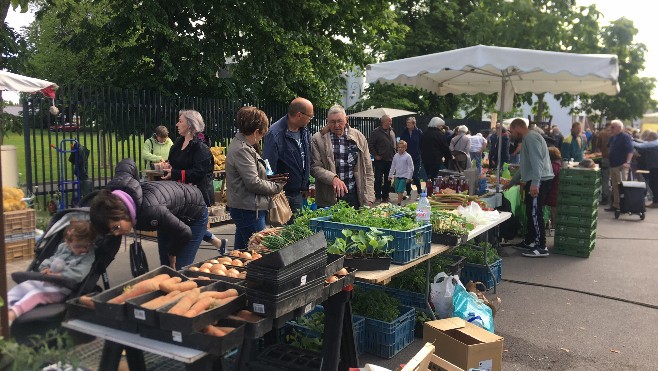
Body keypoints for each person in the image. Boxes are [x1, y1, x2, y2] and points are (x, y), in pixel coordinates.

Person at [89, 159, 208, 270]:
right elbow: (127, 163)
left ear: (123, 212)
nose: (115, 233)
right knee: (166, 267)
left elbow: (184, 232)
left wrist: (173, 253)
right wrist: (137, 186)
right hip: (169, 211)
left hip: (194, 212)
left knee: (179, 268)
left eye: (116, 227)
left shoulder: (151, 212)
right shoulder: (118, 192)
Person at [7, 220, 96, 325]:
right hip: (46, 281)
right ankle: (5, 306)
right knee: (24, 286)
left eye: (87, 245)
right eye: (78, 246)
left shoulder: (88, 256)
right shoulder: (63, 247)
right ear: (68, 242)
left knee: (36, 294)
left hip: (62, 288)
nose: (84, 249)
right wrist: (45, 268)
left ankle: (12, 314)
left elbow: (79, 274)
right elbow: (52, 259)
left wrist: (59, 275)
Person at [161, 110, 226, 252]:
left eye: (181, 121)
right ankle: (219, 243)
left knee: (189, 225)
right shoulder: (178, 143)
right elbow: (175, 161)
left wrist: (175, 173)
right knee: (186, 224)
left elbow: (198, 173)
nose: (177, 124)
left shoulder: (201, 147)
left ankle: (180, 259)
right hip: (179, 193)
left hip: (196, 196)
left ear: (190, 125)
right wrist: (169, 166)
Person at [226, 107, 286, 249]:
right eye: (262, 134)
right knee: (258, 251)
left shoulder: (243, 145)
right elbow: (253, 183)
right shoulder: (242, 149)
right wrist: (277, 186)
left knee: (242, 251)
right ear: (256, 131)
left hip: (247, 207)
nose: (262, 137)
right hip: (249, 210)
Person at [503, 118, 554, 258]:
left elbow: (537, 163)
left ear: (518, 128)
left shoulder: (531, 138)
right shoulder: (528, 138)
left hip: (539, 180)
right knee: (531, 211)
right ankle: (531, 241)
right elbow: (526, 166)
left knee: (535, 212)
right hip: (536, 179)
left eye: (511, 131)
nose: (510, 134)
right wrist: (512, 182)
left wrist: (535, 183)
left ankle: (541, 246)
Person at [310, 105, 374, 208]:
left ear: (346, 119)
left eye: (340, 121)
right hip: (329, 196)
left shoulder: (359, 137)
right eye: (332, 122)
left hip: (354, 194)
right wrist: (333, 178)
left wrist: (370, 196)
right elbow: (314, 167)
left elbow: (368, 168)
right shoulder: (318, 138)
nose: (336, 125)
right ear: (327, 121)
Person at [263, 98, 312, 217]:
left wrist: (305, 185)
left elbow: (306, 158)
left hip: (298, 193)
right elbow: (268, 164)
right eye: (310, 116)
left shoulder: (304, 131)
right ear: (299, 115)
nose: (310, 120)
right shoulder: (275, 133)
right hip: (282, 193)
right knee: (281, 231)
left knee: (297, 231)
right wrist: (274, 191)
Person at [606, 120, 635, 212]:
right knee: (614, 186)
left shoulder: (625, 137)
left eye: (613, 127)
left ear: (619, 128)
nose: (611, 129)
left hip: (620, 166)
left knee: (621, 186)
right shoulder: (613, 137)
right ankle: (616, 205)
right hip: (613, 165)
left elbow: (630, 150)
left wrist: (627, 162)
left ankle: (623, 205)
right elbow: (609, 147)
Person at [368, 115, 397, 203]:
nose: (391, 123)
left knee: (388, 179)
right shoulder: (376, 132)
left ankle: (386, 196)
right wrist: (375, 155)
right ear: (384, 122)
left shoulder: (391, 131)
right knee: (378, 178)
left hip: (390, 159)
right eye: (389, 121)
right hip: (380, 159)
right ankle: (378, 196)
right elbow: (370, 145)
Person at [633, 130, 658, 208]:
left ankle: (656, 202)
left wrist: (629, 141)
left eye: (648, 137)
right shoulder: (655, 143)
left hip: (654, 167)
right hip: (654, 166)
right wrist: (634, 139)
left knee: (654, 185)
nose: (647, 138)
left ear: (652, 137)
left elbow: (642, 146)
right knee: (654, 184)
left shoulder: (654, 143)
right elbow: (644, 143)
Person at [399, 117, 423, 200]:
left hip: (416, 157)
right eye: (407, 122)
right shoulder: (404, 132)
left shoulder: (418, 132)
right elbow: (401, 142)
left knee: (415, 175)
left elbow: (422, 143)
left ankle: (420, 192)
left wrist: (419, 152)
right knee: (407, 175)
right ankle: (408, 192)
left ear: (413, 124)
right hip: (406, 157)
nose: (408, 124)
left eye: (409, 122)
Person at [388, 140, 414, 206]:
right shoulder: (395, 156)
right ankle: (402, 196)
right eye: (399, 147)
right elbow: (393, 166)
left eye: (402, 147)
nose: (400, 149)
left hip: (404, 176)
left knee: (400, 190)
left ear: (405, 148)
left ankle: (399, 203)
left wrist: (409, 177)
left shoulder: (408, 156)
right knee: (396, 190)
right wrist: (390, 175)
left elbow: (411, 167)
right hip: (397, 175)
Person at [545, 147, 562, 230]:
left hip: (552, 194)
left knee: (553, 211)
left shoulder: (553, 166)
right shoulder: (558, 165)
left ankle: (554, 225)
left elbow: (549, 180)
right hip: (555, 192)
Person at [596, 123, 613, 205]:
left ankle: (605, 197)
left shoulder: (602, 133)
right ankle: (614, 196)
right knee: (614, 179)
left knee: (605, 179)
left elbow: (598, 145)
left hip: (605, 158)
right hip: (615, 159)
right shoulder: (614, 133)